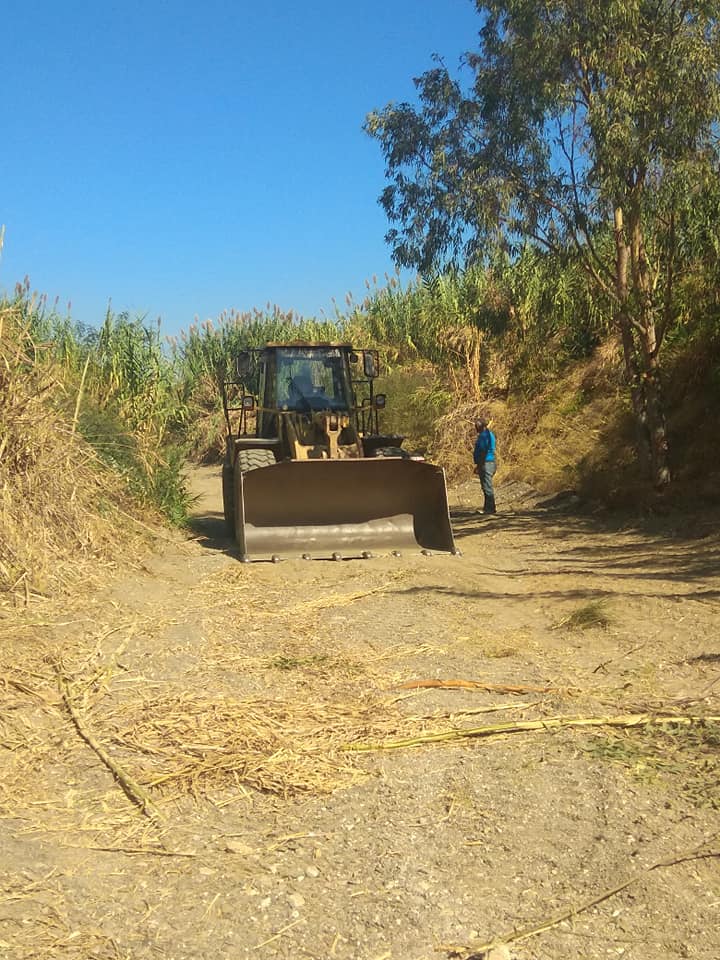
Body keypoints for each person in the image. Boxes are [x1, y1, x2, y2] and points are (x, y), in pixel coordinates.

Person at [473, 418, 497, 514]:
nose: (476, 427)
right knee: (486, 486)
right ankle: (487, 508)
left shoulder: (484, 436)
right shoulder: (487, 434)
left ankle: (490, 508)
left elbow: (483, 451)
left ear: (482, 426)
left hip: (486, 463)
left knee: (487, 487)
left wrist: (480, 464)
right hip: (487, 462)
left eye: (477, 425)